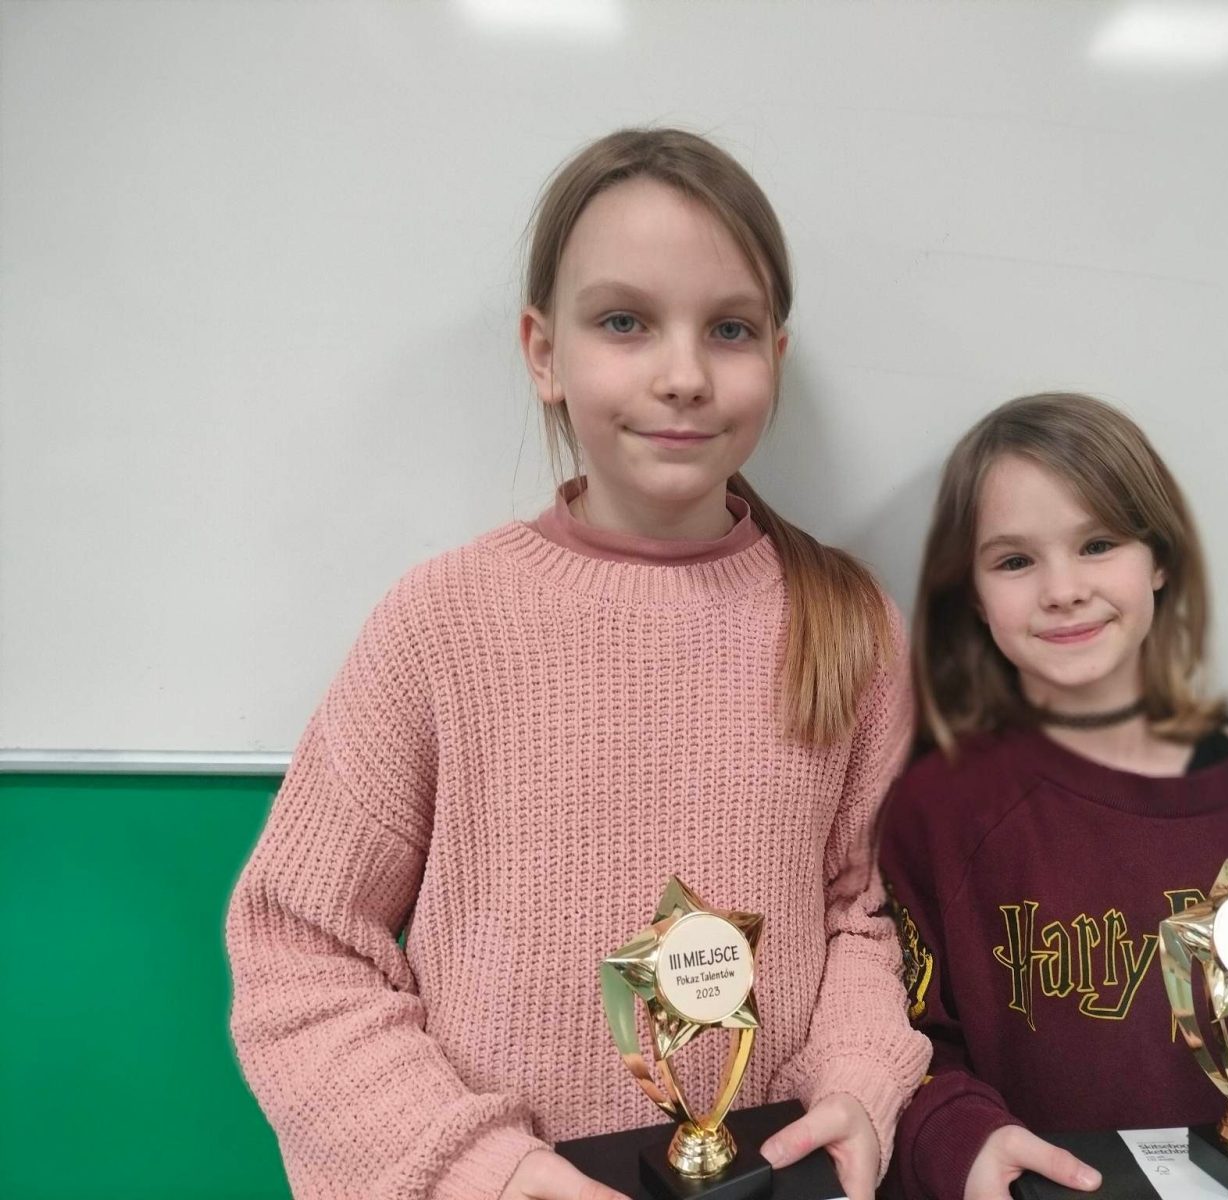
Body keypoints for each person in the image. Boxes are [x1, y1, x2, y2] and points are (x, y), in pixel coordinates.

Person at [225, 128, 929, 1200]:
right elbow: (301, 952)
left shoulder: (851, 626)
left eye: (729, 329)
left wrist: (857, 1077)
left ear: (775, 358)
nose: (683, 376)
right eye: (624, 322)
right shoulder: (442, 621)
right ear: (543, 352)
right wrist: (480, 1171)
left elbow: (861, 918)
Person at [878, 393, 1228, 1200]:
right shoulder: (937, 808)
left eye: (1098, 544)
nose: (1063, 589)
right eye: (1015, 561)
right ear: (974, 594)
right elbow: (909, 1037)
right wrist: (963, 1139)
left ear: (1159, 559)